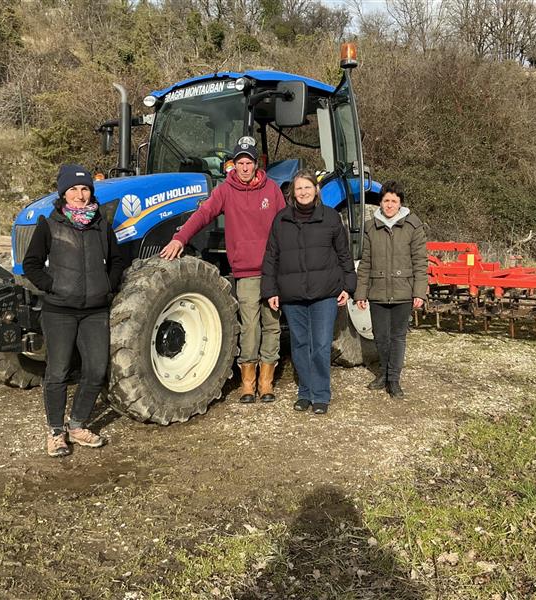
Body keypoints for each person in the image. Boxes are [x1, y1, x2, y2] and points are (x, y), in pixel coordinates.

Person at [160, 139, 286, 404]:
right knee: (250, 325)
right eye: (239, 163)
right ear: (234, 165)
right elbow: (204, 214)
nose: (244, 167)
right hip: (247, 271)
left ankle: (267, 382)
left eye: (248, 163)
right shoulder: (225, 190)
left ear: (255, 164)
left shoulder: (272, 190)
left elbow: (285, 227)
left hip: (273, 270)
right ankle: (248, 384)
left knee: (272, 324)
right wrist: (180, 238)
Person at [23, 164, 124, 457]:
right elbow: (32, 263)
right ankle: (56, 431)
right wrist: (52, 286)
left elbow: (116, 260)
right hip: (60, 311)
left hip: (95, 310)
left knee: (95, 369)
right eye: (73, 190)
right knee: (58, 371)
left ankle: (77, 425)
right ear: (63, 193)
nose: (80, 195)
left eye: (84, 189)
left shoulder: (102, 225)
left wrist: (108, 285)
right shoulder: (49, 223)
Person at [261, 170, 357, 415]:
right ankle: (305, 392)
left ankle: (321, 394)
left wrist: (349, 285)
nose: (303, 192)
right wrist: (270, 290)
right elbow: (272, 257)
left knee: (322, 344)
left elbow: (344, 254)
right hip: (292, 295)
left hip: (324, 292)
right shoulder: (281, 220)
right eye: (299, 188)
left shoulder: (331, 217)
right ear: (293, 192)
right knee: (300, 344)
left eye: (308, 187)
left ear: (316, 190)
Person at [354, 181, 426, 399]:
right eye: (386, 200)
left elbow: (420, 262)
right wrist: (360, 293)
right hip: (377, 291)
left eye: (394, 201)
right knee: (380, 336)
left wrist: (419, 292)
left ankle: (393, 379)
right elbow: (365, 263)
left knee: (398, 337)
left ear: (400, 203)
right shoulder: (370, 227)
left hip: (403, 291)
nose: (390, 205)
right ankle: (383, 373)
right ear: (381, 202)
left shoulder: (413, 226)